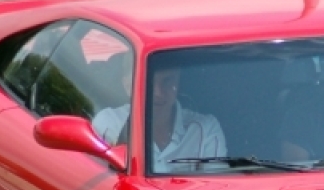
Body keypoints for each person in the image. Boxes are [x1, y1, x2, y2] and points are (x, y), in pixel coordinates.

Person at [92, 66, 227, 173]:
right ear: (128, 84)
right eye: (149, 81)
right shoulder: (109, 125)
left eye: (167, 81)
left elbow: (216, 189)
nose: (158, 92)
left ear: (178, 82)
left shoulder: (205, 130)